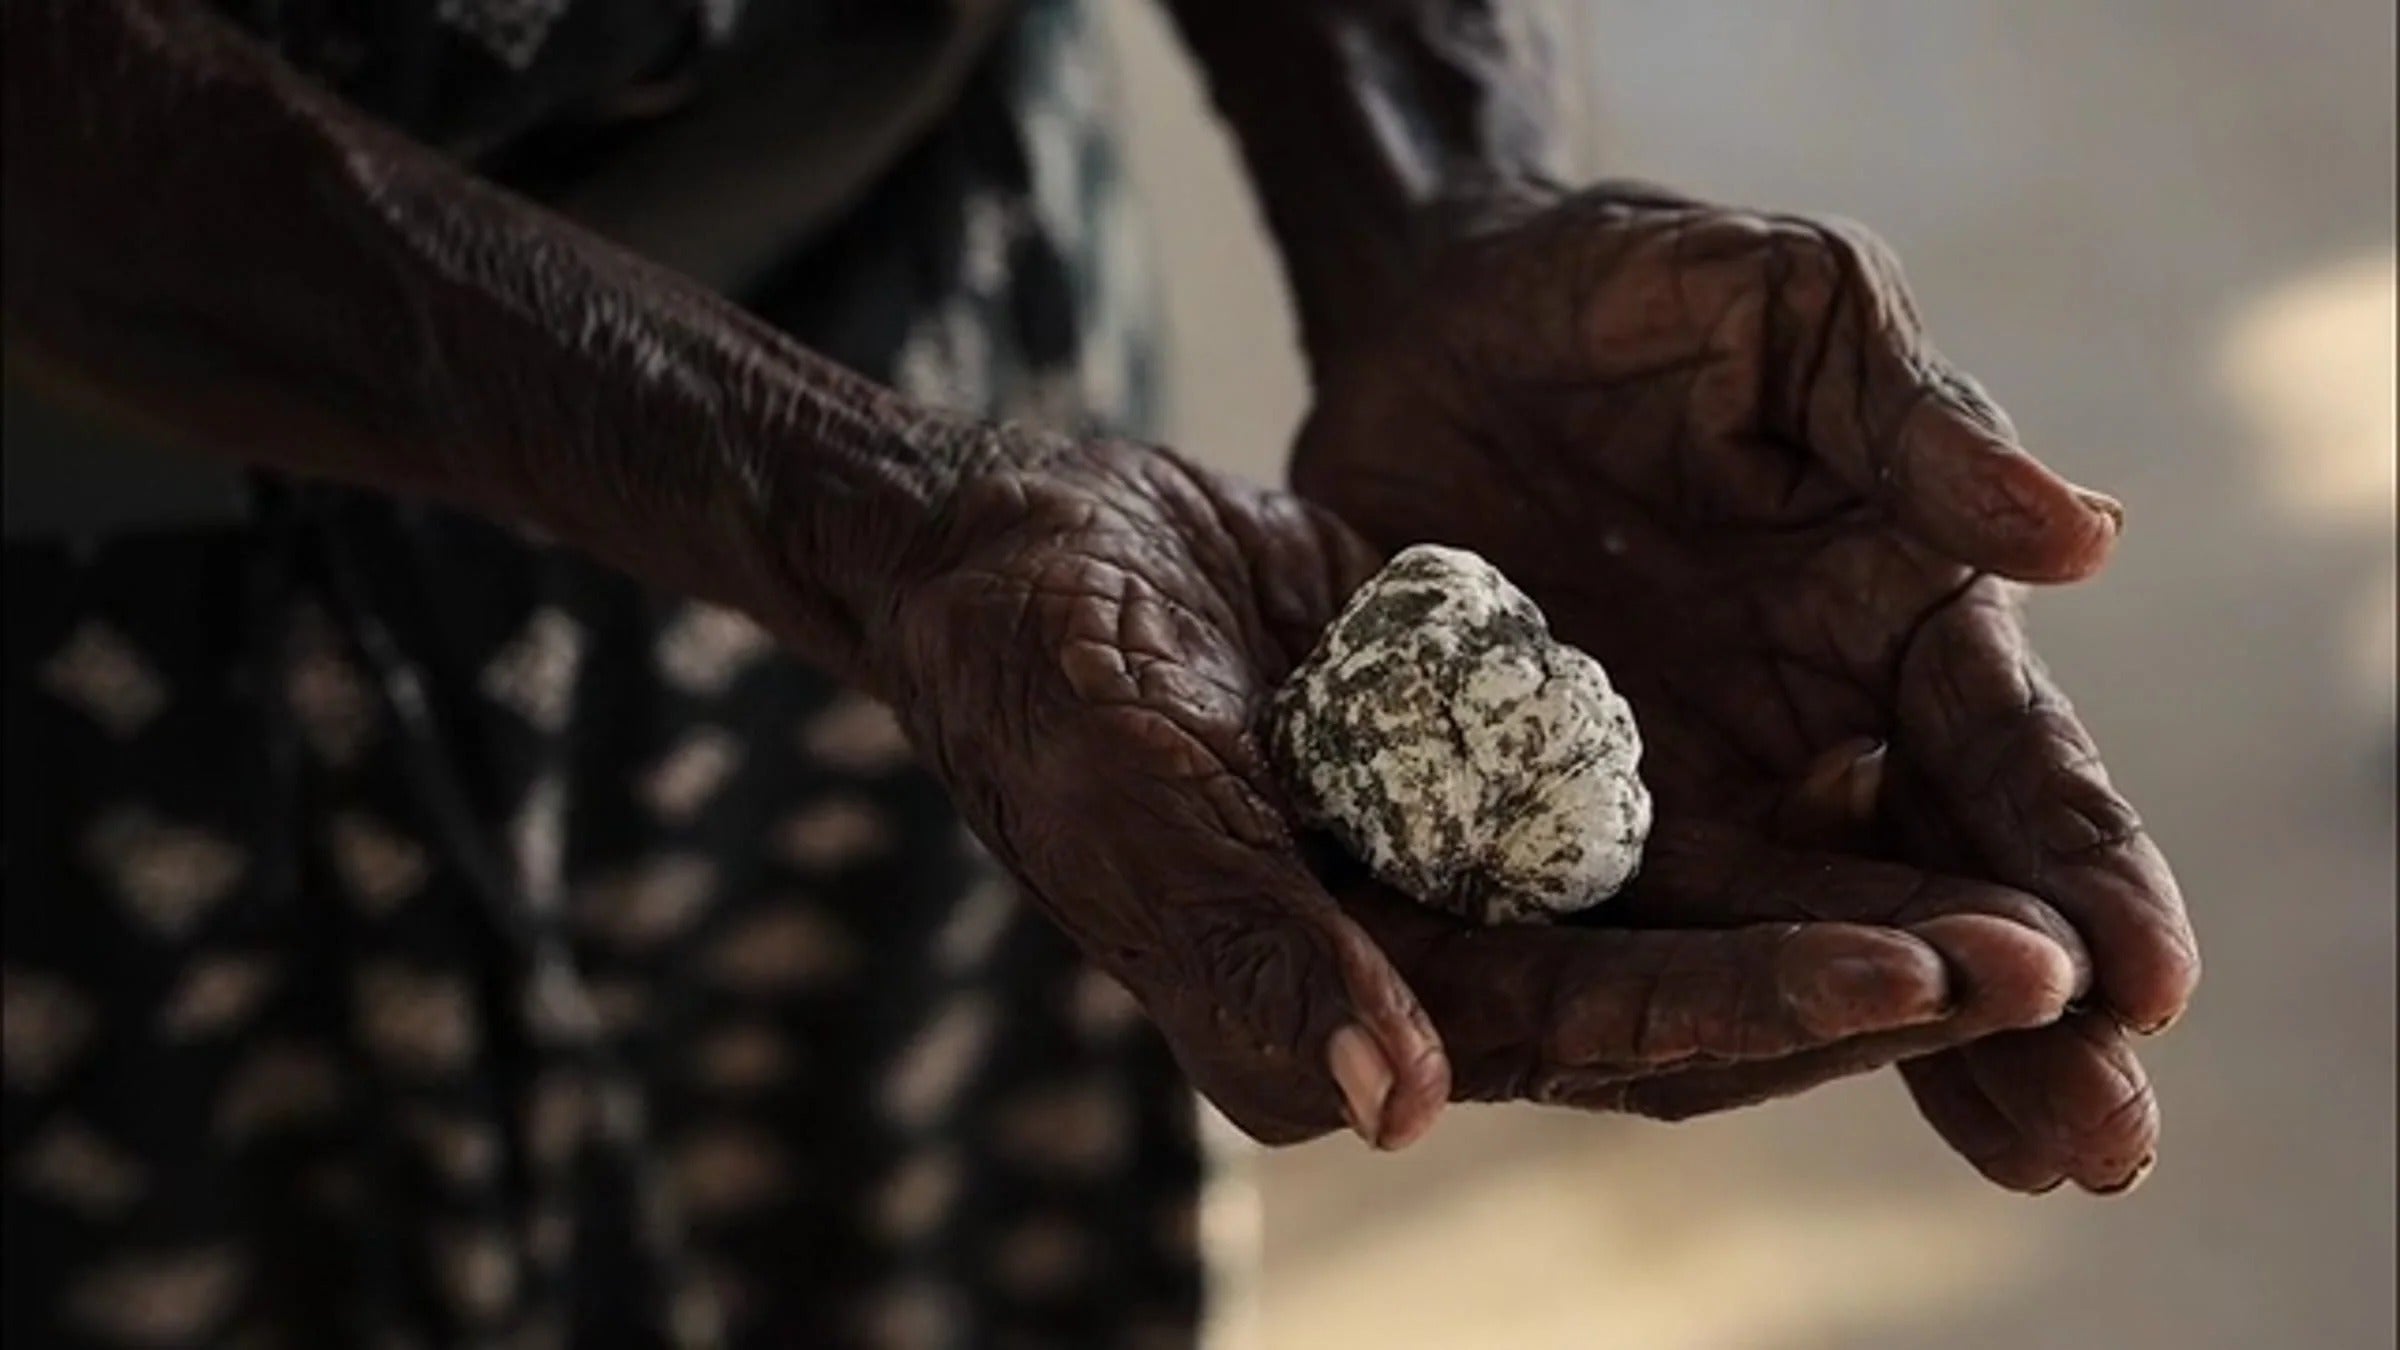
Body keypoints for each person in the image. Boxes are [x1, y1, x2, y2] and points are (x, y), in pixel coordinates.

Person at [3, 1, 2200, 1345]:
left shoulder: (1056, 620)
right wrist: (864, 516)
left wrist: (1429, 186)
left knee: (905, 1216)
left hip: (931, 367)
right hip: (101, 645)